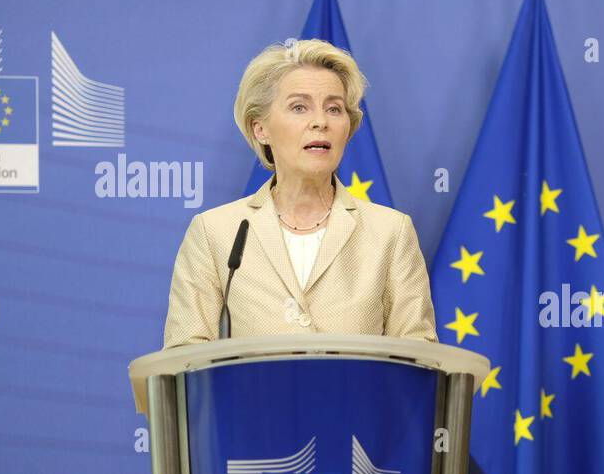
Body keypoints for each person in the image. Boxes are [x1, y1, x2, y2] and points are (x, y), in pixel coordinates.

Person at [162, 38, 436, 348]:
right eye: (299, 107)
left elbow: (418, 358)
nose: (320, 122)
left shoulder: (391, 233)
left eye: (334, 109)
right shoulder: (215, 233)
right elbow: (184, 360)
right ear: (260, 129)